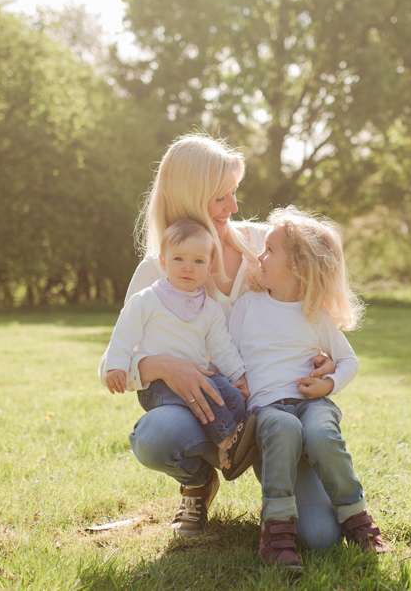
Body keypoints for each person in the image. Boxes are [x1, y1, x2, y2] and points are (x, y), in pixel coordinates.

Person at [118, 133, 341, 544]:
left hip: (278, 410)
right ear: (190, 197)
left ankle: (277, 474)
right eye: (222, 197)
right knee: (155, 436)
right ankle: (198, 481)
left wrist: (325, 353)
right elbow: (120, 362)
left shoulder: (264, 244)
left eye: (235, 193)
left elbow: (312, 297)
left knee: (321, 538)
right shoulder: (159, 270)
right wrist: (164, 366)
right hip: (206, 413)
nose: (234, 207)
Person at [229, 207, 386, 571]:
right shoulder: (248, 306)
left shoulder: (315, 314)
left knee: (321, 433)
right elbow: (227, 354)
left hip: (310, 403)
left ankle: (357, 520)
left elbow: (349, 361)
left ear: (298, 266)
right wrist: (237, 381)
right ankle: (277, 529)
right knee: (283, 429)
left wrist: (327, 384)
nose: (260, 257)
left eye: (269, 250)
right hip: (268, 409)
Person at [98, 219, 252, 473]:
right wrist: (116, 367)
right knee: (207, 399)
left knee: (233, 397)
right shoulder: (147, 299)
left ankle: (241, 437)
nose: (187, 268)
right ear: (162, 262)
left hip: (200, 378)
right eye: (178, 259)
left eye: (198, 261)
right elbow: (123, 334)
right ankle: (227, 445)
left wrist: (240, 375)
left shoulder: (209, 308)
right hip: (158, 387)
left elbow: (222, 347)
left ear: (210, 266)